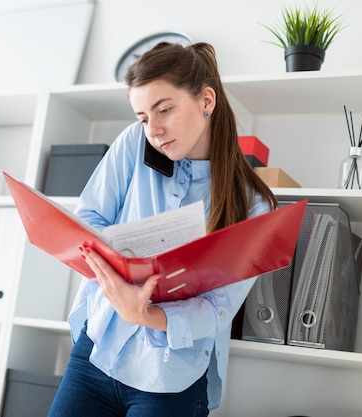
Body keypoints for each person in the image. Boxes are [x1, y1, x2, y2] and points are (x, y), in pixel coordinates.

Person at [47, 41, 278, 417]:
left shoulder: (254, 206)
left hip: (172, 379)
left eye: (164, 110)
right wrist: (121, 265)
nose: (152, 129)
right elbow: (88, 216)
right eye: (142, 117)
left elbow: (219, 309)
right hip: (97, 351)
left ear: (206, 100)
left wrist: (147, 316)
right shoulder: (133, 144)